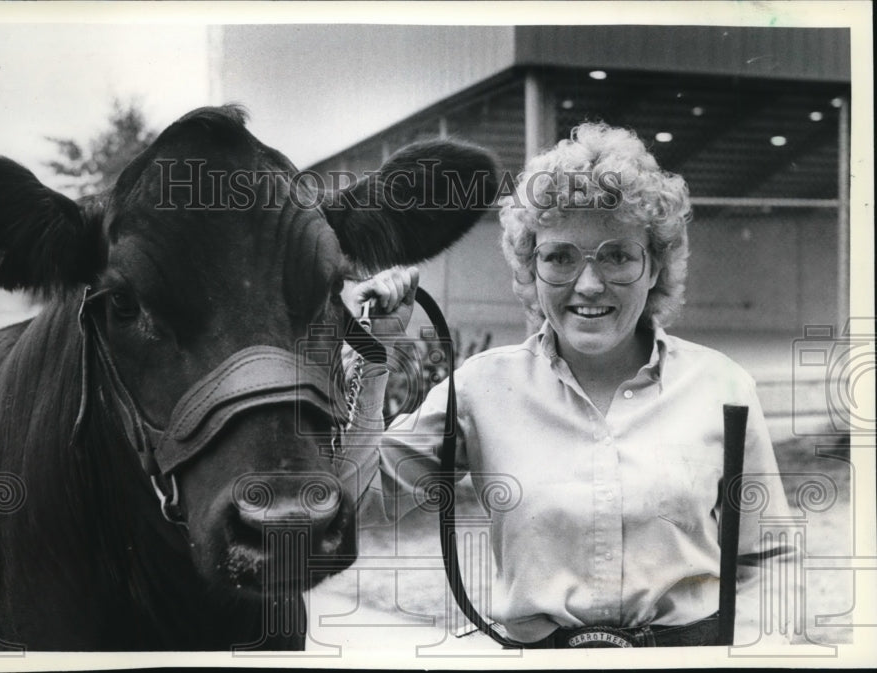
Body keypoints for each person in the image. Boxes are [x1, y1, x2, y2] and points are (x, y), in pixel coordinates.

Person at [338, 122, 796, 648]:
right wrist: (374, 359)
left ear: (655, 268)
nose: (588, 284)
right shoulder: (482, 389)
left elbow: (764, 563)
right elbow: (355, 503)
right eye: (559, 257)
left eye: (617, 255)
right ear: (530, 270)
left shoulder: (722, 386)